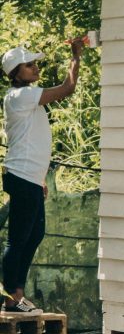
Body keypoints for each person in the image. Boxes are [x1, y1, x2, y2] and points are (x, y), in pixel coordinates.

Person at [1, 39, 84, 313]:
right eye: (29, 64)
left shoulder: (26, 97)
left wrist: (39, 180)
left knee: (33, 235)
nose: (35, 67)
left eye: (35, 63)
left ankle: (16, 295)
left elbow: (31, 140)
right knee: (19, 239)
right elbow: (68, 88)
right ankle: (12, 298)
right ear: (16, 72)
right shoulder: (21, 96)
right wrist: (76, 55)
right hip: (22, 176)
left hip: (29, 178)